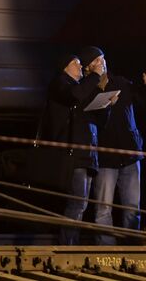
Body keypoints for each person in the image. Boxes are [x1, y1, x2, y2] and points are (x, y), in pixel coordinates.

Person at [78, 46, 146, 245]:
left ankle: (134, 249)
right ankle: (107, 253)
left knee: (132, 208)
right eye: (96, 61)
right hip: (105, 158)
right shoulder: (86, 89)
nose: (102, 63)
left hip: (129, 154)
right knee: (103, 209)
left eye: (103, 59)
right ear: (87, 68)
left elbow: (144, 97)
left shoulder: (120, 82)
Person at [40, 52, 104, 245]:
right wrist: (94, 76)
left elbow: (93, 113)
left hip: (87, 153)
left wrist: (106, 104)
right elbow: (74, 96)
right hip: (72, 154)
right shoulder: (60, 84)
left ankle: (71, 243)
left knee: (82, 204)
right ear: (64, 67)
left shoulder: (80, 88)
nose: (80, 68)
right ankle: (67, 246)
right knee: (76, 203)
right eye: (76, 64)